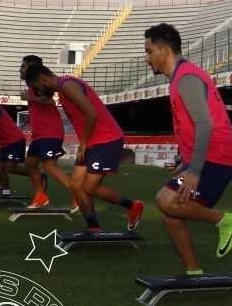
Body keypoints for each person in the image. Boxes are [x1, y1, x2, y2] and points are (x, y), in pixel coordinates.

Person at [144, 23, 232, 274]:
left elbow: (204, 124)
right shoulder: (180, 76)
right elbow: (187, 126)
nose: (147, 58)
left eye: (149, 51)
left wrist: (194, 170)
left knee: (166, 200)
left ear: (164, 50)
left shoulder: (186, 77)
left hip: (216, 157)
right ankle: (193, 271)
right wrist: (185, 161)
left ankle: (226, 220)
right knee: (171, 214)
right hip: (204, 157)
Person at [25, 64, 143, 233]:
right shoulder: (62, 89)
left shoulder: (67, 85)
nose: (38, 92)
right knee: (76, 185)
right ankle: (93, 228)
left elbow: (91, 113)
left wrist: (84, 142)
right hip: (92, 142)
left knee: (90, 187)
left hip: (106, 139)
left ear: (42, 79)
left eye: (36, 88)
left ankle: (133, 206)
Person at [19, 55, 74, 210]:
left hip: (50, 132)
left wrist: (28, 97)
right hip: (39, 134)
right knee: (30, 165)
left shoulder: (38, 84)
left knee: (49, 166)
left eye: (23, 66)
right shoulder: (32, 86)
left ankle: (78, 194)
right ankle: (40, 196)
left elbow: (49, 100)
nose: (20, 69)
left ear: (31, 68)